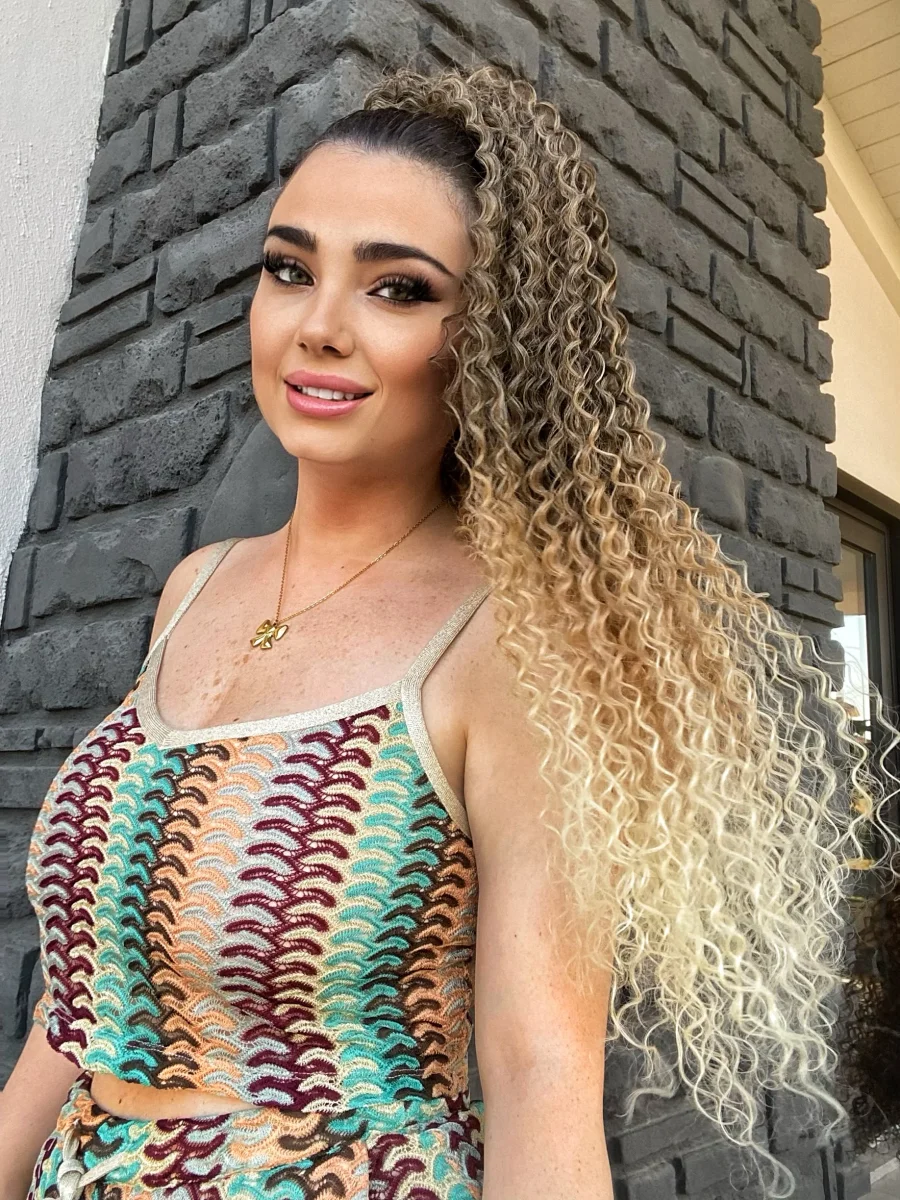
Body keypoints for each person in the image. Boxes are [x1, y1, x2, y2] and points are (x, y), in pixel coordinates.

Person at [1, 61, 897, 1200]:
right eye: (290, 269)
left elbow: (540, 1076)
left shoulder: (513, 642)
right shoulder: (196, 586)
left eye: (398, 288)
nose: (319, 326)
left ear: (492, 338)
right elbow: (82, 1003)